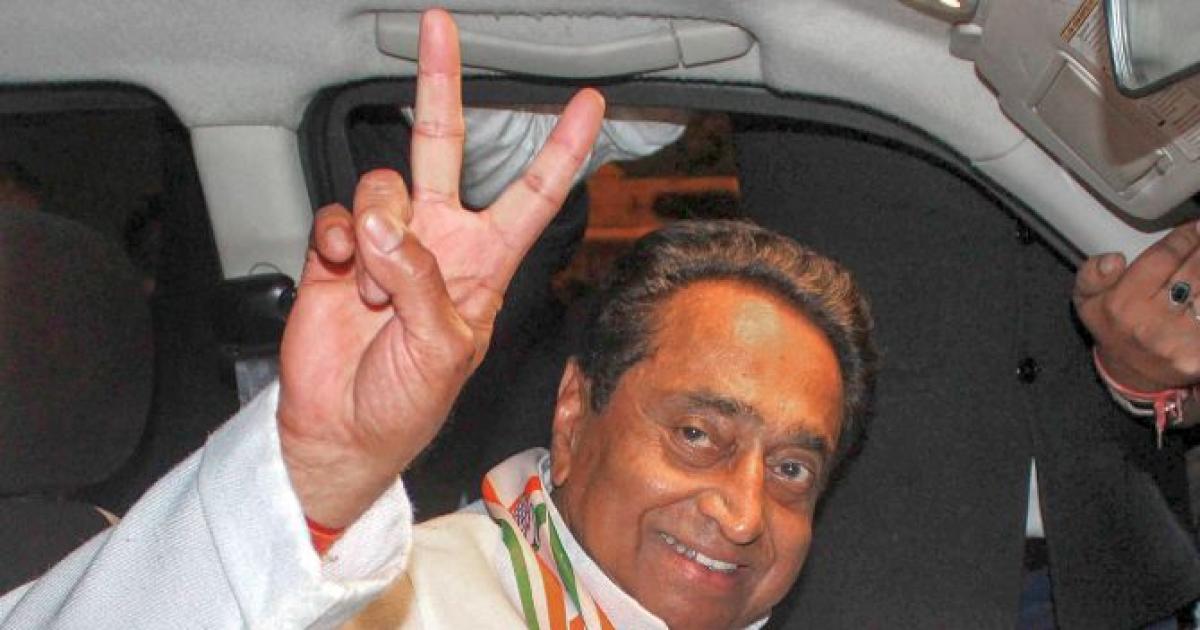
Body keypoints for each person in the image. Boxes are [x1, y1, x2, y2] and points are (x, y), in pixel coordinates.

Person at [0, 10, 877, 629]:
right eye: (696, 434)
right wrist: (320, 470)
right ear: (573, 414)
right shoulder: (394, 606)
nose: (743, 510)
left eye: (793, 468)